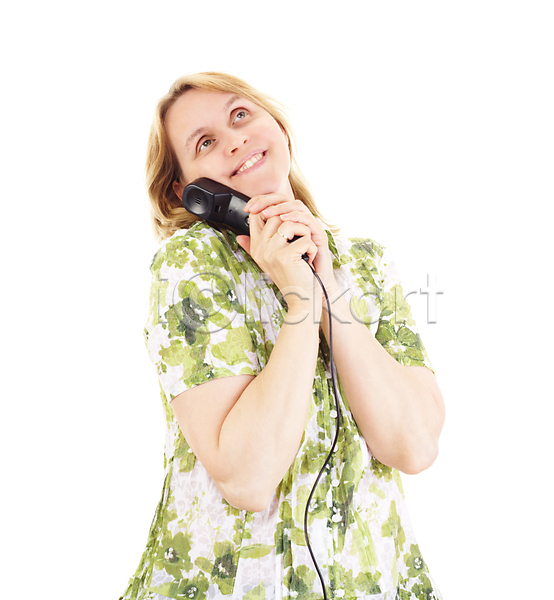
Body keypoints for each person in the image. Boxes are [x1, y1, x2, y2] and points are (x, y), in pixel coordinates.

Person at [120, 71, 445, 600]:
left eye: (240, 115)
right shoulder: (191, 265)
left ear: (279, 128)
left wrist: (327, 288)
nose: (234, 140)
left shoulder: (367, 263)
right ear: (188, 191)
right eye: (204, 143)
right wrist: (300, 302)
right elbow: (247, 478)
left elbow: (415, 446)